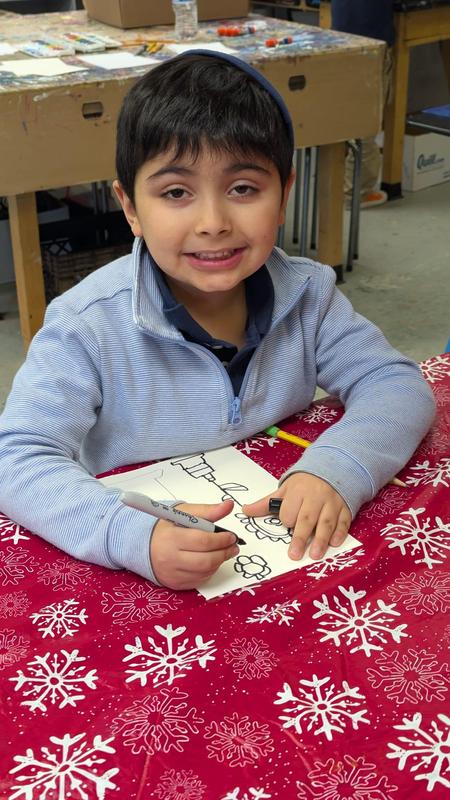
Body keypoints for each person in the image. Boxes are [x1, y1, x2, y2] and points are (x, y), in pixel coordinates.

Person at [0, 52, 435, 591]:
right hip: (139, 570)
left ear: (284, 195)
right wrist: (127, 533)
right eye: (176, 193)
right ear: (130, 207)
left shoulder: (308, 295)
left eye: (243, 188)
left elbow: (394, 383)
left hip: (277, 563)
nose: (213, 223)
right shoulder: (85, 325)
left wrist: (338, 466)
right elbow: (17, 458)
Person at [331, 0, 395, 208]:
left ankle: (339, 181)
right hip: (371, 41)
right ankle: (357, 193)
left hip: (342, 37)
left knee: (346, 114)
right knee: (366, 123)